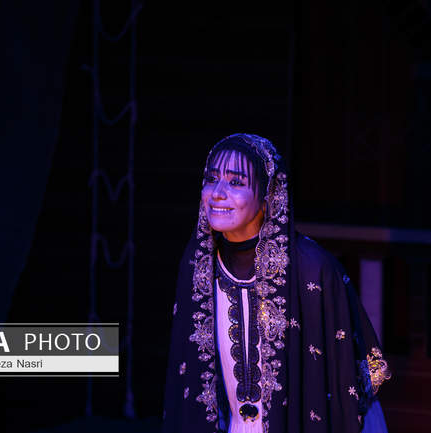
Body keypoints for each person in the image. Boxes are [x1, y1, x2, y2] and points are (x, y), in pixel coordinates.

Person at [163, 133, 390, 433]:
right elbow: (186, 380)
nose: (217, 193)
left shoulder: (312, 269)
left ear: (269, 194)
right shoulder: (198, 266)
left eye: (236, 182)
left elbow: (348, 385)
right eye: (211, 179)